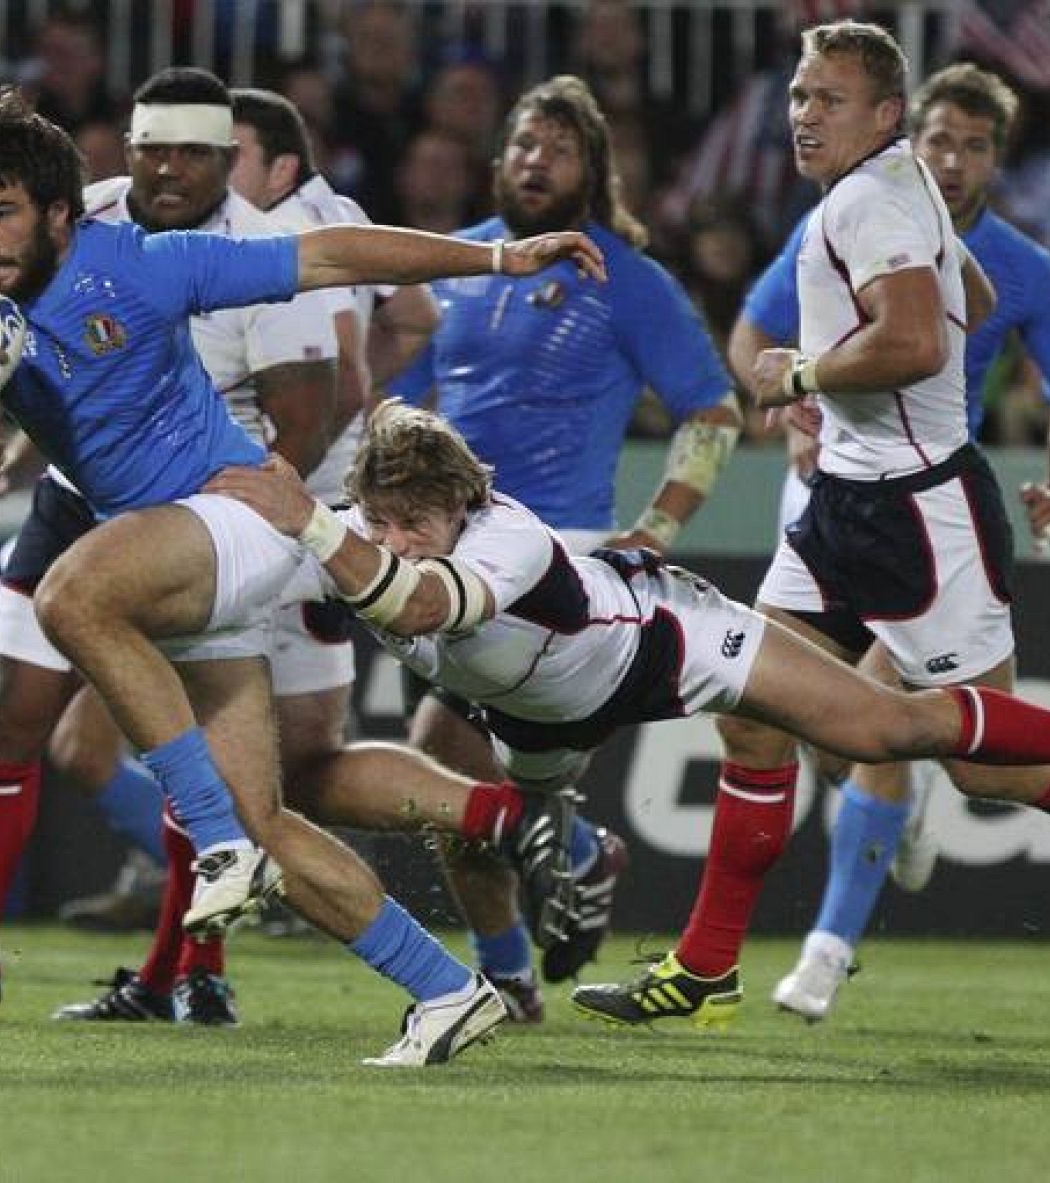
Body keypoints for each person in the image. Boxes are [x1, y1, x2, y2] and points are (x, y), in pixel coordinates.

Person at [0, 85, 604, 1066]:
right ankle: (446, 989)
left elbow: (330, 256)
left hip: (239, 521)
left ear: (61, 212)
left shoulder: (145, 264)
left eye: (2, 212)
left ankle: (213, 842)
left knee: (70, 597)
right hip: (181, 568)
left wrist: (495, 258)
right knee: (270, 818)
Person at [566, 21, 1050, 1027]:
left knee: (985, 765)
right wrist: (859, 390)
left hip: (918, 513)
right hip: (845, 503)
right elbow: (966, 295)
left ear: (886, 113)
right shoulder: (896, 189)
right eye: (800, 95)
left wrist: (803, 377)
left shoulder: (871, 201)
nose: (804, 115)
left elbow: (912, 342)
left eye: (829, 99)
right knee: (750, 714)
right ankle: (707, 965)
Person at [215, 401, 1050, 1031]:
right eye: (382, 519)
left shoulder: (506, 538)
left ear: (463, 505)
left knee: (886, 729)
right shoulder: (354, 530)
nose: (396, 536)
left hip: (670, 644)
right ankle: (681, 961)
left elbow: (419, 604)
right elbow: (262, 565)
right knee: (511, 821)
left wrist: (313, 525)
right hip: (535, 716)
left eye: (417, 520)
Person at [0, 67, 349, 1026]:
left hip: (200, 510)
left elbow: (308, 416)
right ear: (128, 152)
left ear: (228, 157)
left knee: (193, 743)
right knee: (6, 713)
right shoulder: (67, 213)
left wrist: (249, 520)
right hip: (74, 502)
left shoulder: (252, 253)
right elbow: (33, 356)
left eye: (193, 152)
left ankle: (192, 965)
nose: (170, 167)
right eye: (153, 148)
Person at [730, 62, 1050, 1021]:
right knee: (822, 733)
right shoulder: (846, 210)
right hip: (826, 491)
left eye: (975, 146)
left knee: (885, 722)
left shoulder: (1023, 267)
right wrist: (795, 409)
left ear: (996, 162)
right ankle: (894, 814)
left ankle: (825, 953)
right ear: (912, 136)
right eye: (941, 140)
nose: (953, 160)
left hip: (923, 507)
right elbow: (751, 334)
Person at [386, 74, 741, 1016]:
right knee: (455, 784)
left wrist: (655, 528)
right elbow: (398, 405)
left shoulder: (625, 278)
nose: (536, 162)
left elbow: (712, 411)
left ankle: (559, 874)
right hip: (445, 562)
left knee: (441, 755)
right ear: (497, 159)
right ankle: (522, 945)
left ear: (595, 169)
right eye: (523, 144)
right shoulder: (456, 265)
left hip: (556, 563)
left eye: (559, 148)